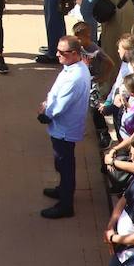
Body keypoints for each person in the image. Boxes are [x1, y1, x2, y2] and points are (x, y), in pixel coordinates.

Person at [40, 35, 91, 219]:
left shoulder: (75, 77)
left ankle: (66, 204)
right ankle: (63, 189)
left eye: (62, 52)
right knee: (62, 162)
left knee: (64, 164)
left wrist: (46, 113)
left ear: (75, 54)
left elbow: (61, 105)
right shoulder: (74, 68)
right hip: (65, 126)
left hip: (64, 128)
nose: (57, 54)